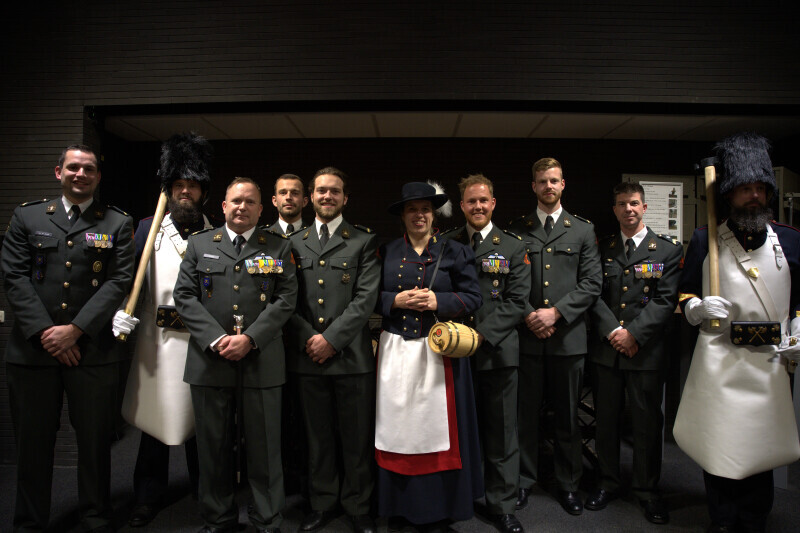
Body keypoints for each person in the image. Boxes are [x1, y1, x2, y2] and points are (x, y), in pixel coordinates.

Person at [1, 144, 135, 532]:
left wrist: (75, 331)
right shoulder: (27, 216)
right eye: (73, 167)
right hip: (33, 352)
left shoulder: (117, 222)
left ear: (98, 176)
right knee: (33, 445)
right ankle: (29, 522)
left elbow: (119, 281)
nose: (81, 174)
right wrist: (48, 333)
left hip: (92, 351)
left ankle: (95, 517)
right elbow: (14, 276)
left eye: (89, 169)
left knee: (94, 444)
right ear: (58, 172)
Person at [673, 132, 800, 533]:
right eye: (745, 189)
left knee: (761, 442)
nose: (754, 196)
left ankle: (755, 516)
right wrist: (696, 308)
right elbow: (683, 295)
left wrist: (799, 326)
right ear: (729, 194)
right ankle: (723, 517)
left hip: (769, 361)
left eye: (760, 188)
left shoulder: (791, 241)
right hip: (721, 355)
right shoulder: (705, 239)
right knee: (721, 441)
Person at [173, 177, 298, 533]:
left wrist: (251, 338)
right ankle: (217, 517)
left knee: (265, 447)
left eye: (250, 201)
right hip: (210, 361)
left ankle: (268, 518)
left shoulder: (278, 246)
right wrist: (216, 339)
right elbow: (184, 296)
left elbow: (286, 298)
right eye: (236, 201)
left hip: (262, 360)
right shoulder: (199, 244)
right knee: (212, 446)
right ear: (224, 206)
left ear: (261, 209)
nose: (242, 207)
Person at [112, 132, 214, 527]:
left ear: (203, 192)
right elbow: (124, 278)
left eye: (192, 185)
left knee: (201, 422)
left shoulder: (216, 233)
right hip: (157, 343)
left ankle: (207, 494)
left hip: (201, 343)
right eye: (178, 185)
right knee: (155, 422)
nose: (185, 191)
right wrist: (121, 311)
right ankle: (147, 496)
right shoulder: (146, 229)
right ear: (169, 190)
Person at [376, 181, 483, 533]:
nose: (419, 215)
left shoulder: (456, 251)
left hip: (440, 355)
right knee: (397, 431)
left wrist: (440, 301)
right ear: (403, 215)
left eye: (425, 209)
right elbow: (368, 296)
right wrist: (394, 300)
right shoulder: (386, 251)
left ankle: (440, 508)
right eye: (412, 209)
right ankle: (398, 506)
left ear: (434, 215)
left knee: (438, 436)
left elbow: (474, 298)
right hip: (395, 352)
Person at [287, 167, 380, 533]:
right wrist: (310, 338)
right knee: (317, 438)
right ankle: (322, 502)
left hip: (352, 359)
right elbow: (286, 300)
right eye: (322, 191)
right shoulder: (292, 243)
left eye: (335, 191)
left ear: (345, 198)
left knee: (357, 439)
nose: (328, 196)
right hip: (308, 357)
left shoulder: (363, 241)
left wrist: (331, 340)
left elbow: (365, 299)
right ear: (311, 197)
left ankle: (358, 505)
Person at [507, 157, 602, 516]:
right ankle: (523, 480)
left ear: (563, 184)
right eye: (542, 181)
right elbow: (509, 281)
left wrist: (556, 313)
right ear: (533, 186)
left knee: (567, 417)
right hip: (528, 338)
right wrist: (530, 314)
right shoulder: (517, 229)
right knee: (525, 417)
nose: (548, 186)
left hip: (568, 340)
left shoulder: (582, 230)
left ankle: (568, 484)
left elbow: (592, 283)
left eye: (554, 180)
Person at [585, 181, 682, 525]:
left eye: (634, 203)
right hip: (608, 350)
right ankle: (608, 482)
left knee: (646, 424)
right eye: (622, 203)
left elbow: (665, 300)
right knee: (606, 422)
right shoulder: (603, 248)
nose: (629, 209)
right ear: (615, 209)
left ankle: (647, 490)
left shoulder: (667, 251)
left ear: (644, 207)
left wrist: (634, 334)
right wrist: (615, 332)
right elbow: (593, 294)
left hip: (646, 352)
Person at [441, 174, 530, 533]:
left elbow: (517, 301)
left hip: (497, 353)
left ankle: (502, 505)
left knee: (501, 432)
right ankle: (458, 499)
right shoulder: (446, 243)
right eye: (471, 201)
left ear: (493, 203)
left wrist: (480, 336)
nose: (477, 206)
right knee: (458, 431)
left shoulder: (512, 246)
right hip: (454, 354)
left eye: (483, 200)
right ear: (462, 205)